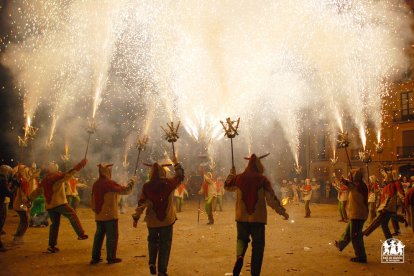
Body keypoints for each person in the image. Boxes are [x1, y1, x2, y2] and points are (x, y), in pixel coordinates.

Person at [225, 153, 289, 276]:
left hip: (241, 218)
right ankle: (255, 273)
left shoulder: (238, 178)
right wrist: (282, 212)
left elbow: (227, 187)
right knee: (258, 247)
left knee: (241, 240)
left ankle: (239, 257)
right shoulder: (262, 180)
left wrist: (231, 175)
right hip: (257, 219)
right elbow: (271, 199)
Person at [132, 161, 184, 276]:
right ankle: (162, 271)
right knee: (165, 245)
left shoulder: (147, 186)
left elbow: (141, 203)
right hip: (166, 220)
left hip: (152, 221)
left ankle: (152, 263)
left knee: (152, 242)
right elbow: (180, 176)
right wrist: (176, 164)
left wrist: (136, 217)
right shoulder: (169, 183)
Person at [29, 159, 88, 253]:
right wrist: (81, 164)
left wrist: (29, 198)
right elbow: (70, 172)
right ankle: (81, 234)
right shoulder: (56, 177)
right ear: (53, 169)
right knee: (72, 214)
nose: (56, 165)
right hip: (59, 203)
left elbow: (37, 191)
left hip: (50, 205)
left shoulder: (45, 179)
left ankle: (51, 246)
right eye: (54, 165)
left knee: (55, 225)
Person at [90, 163, 136, 264]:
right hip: (110, 215)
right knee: (112, 236)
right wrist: (132, 182)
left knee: (98, 236)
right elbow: (125, 191)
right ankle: (111, 257)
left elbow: (92, 198)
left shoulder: (96, 184)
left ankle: (95, 257)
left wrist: (95, 210)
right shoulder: (109, 183)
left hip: (99, 215)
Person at [334, 169, 368, 263]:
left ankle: (361, 256)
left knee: (355, 236)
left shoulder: (358, 186)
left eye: (351, 175)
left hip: (358, 214)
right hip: (356, 214)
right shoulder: (359, 185)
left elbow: (349, 185)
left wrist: (344, 181)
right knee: (348, 231)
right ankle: (341, 244)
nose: (349, 176)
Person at [363, 170, 405, 240]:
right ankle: (390, 242)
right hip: (388, 208)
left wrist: (383, 208)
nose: (384, 179)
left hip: (387, 209)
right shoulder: (389, 185)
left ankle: (365, 232)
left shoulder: (391, 186)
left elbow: (389, 198)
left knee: (377, 221)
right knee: (384, 225)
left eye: (385, 177)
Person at [11, 164, 31, 245]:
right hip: (21, 204)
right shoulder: (23, 181)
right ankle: (17, 238)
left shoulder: (20, 179)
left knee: (24, 220)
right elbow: (24, 195)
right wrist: (27, 204)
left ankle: (18, 237)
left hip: (19, 204)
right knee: (25, 221)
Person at [0, 165, 14, 251]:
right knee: (1, 220)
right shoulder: (2, 178)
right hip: (0, 202)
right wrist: (14, 187)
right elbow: (7, 192)